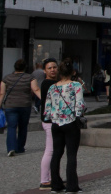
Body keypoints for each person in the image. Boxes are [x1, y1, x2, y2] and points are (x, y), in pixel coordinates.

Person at [45, 59, 85, 194]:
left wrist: (51, 117)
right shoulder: (76, 85)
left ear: (59, 72)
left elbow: (47, 108)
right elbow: (80, 104)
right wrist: (78, 115)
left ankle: (55, 185)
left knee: (56, 153)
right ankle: (72, 186)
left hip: (56, 123)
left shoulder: (52, 87)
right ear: (72, 72)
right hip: (70, 122)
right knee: (71, 154)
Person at [0, 59, 42, 156]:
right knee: (23, 127)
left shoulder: (6, 78)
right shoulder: (30, 78)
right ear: (25, 67)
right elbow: (36, 89)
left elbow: (1, 93)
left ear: (14, 67)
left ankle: (11, 148)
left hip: (10, 105)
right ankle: (20, 147)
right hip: (25, 105)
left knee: (11, 127)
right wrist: (45, 99)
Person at [39, 58, 59, 191]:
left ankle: (52, 177)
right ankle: (44, 180)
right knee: (50, 150)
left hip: (53, 120)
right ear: (44, 70)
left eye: (54, 67)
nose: (52, 70)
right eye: (49, 68)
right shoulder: (47, 83)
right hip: (49, 121)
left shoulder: (53, 82)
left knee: (53, 150)